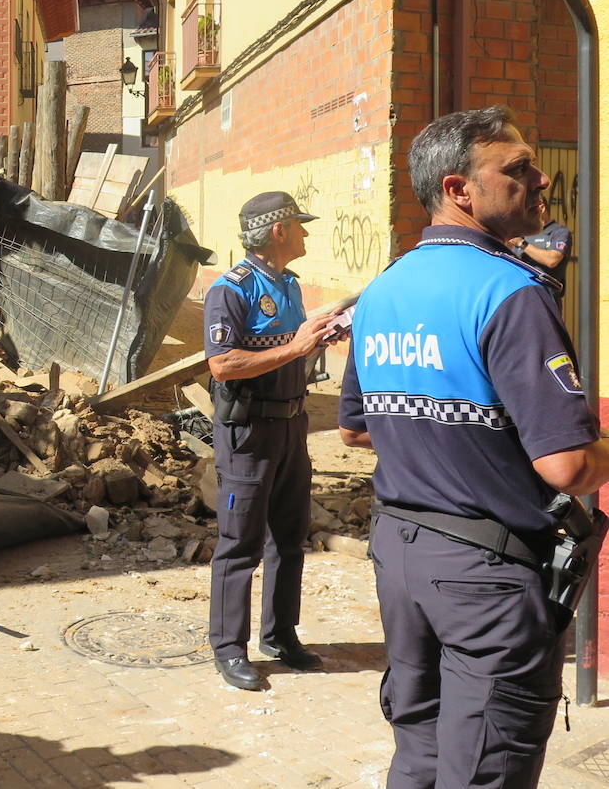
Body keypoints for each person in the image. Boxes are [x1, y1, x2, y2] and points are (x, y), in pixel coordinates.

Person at [339, 106, 608, 788]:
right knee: (486, 765)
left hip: (402, 555)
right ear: (460, 189)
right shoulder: (510, 294)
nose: (540, 177)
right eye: (516, 169)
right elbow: (569, 464)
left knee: (422, 753)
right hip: (484, 575)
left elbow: (357, 425)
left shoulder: (381, 292)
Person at [202, 191, 339, 691]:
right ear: (278, 230)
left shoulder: (289, 286)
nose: (305, 233)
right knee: (240, 543)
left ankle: (281, 635)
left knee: (289, 535)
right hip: (248, 432)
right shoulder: (230, 290)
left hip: (291, 426)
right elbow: (222, 364)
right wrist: (297, 345)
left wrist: (315, 339)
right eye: (299, 226)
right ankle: (228, 648)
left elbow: (289, 349)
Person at [508, 196, 572, 303]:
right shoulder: (523, 232)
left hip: (546, 299)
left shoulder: (559, 232)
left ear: (541, 208)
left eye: (527, 211)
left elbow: (552, 260)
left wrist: (521, 244)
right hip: (520, 299)